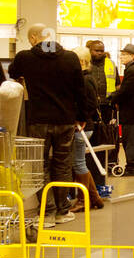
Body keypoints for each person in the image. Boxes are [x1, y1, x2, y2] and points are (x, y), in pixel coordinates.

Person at [9, 24, 90, 224]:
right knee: (63, 164)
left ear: (35, 38)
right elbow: (80, 90)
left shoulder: (25, 57)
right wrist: (82, 115)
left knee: (41, 166)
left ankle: (47, 212)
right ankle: (63, 211)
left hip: (37, 121)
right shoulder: (70, 58)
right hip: (65, 120)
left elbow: (12, 73)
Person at [69, 47, 104, 212]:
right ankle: (94, 197)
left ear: (81, 61)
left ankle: (84, 200)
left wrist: (80, 118)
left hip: (82, 127)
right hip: (84, 126)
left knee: (79, 163)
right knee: (79, 163)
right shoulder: (86, 78)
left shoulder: (85, 79)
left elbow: (90, 104)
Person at [108, 44, 134, 176]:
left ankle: (133, 167)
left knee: (130, 140)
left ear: (132, 56)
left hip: (133, 112)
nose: (121, 57)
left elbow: (126, 91)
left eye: (124, 54)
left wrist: (112, 98)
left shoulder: (132, 70)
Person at [86, 40, 118, 171]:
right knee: (91, 134)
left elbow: (117, 84)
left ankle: (108, 161)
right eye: (96, 50)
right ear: (90, 50)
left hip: (106, 106)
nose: (100, 53)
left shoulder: (111, 64)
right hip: (90, 106)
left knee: (106, 134)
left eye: (102, 50)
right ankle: (91, 162)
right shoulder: (86, 64)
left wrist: (115, 101)